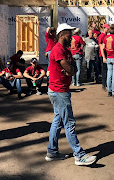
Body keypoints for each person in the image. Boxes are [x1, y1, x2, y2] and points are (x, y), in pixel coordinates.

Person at [45, 23, 97, 166]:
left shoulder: (65, 50)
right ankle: (79, 155)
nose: (72, 37)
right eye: (69, 34)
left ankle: (52, 151)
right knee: (69, 123)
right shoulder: (58, 50)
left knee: (58, 120)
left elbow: (72, 69)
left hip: (60, 90)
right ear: (61, 35)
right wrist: (70, 70)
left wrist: (70, 70)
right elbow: (70, 68)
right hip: (59, 91)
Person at [98, 23, 110, 91]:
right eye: (107, 28)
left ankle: (106, 84)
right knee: (104, 70)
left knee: (106, 69)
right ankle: (104, 84)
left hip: (106, 54)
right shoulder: (101, 36)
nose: (108, 30)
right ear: (104, 28)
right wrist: (103, 57)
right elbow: (100, 46)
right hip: (102, 55)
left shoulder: (106, 36)